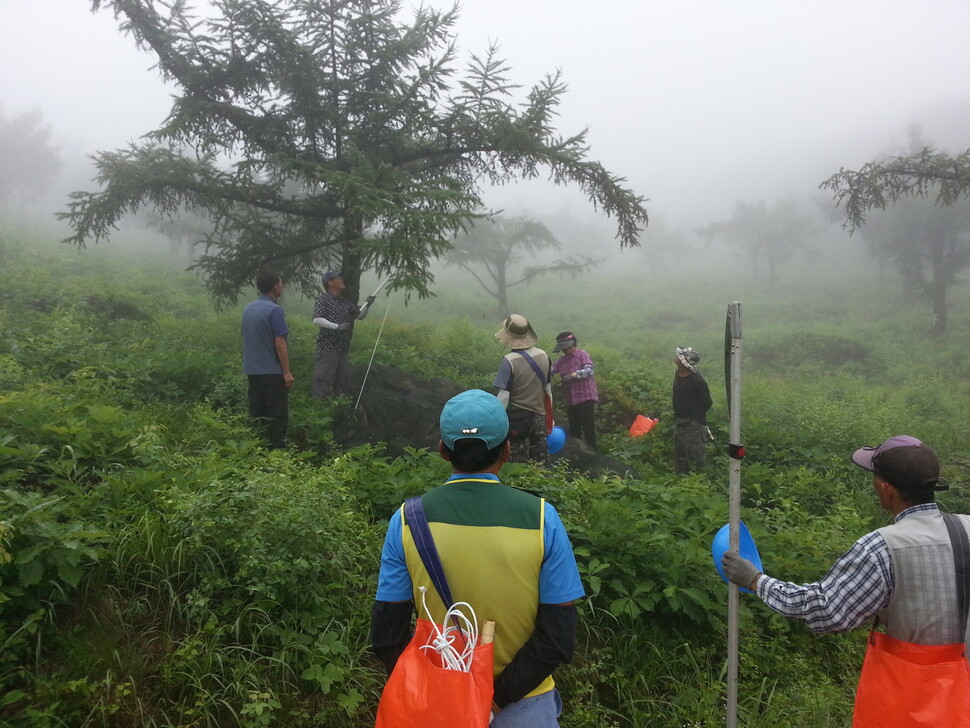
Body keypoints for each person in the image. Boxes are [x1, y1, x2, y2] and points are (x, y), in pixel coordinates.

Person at [371, 389, 585, 727]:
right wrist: (495, 700)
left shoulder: (407, 520)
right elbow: (558, 635)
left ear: (443, 450)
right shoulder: (542, 518)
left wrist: (437, 689)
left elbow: (386, 634)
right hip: (523, 707)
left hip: (437, 705)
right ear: (507, 451)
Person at [722, 436, 969, 718]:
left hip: (922, 703)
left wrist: (757, 580)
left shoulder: (882, 547)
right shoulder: (968, 527)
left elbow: (828, 610)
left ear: (886, 488)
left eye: (875, 478)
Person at [240, 271, 293, 449]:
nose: (282, 287)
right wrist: (286, 372)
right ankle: (278, 453)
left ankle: (255, 449)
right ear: (275, 287)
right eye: (280, 284)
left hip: (252, 370)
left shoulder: (248, 308)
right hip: (272, 371)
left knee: (257, 412)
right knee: (277, 416)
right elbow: (280, 343)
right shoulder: (274, 310)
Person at [493, 315, 554, 464]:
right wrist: (549, 418)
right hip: (539, 417)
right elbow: (547, 391)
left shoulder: (509, 361)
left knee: (517, 464)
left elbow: (503, 397)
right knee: (540, 463)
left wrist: (495, 421)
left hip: (518, 418)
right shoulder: (544, 355)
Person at [311, 270, 374, 399]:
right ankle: (321, 409)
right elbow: (317, 319)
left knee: (342, 384)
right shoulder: (323, 300)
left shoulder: (345, 303)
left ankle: (340, 410)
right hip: (327, 349)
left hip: (342, 349)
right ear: (330, 283)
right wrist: (337, 327)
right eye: (338, 278)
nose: (341, 280)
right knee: (323, 382)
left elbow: (360, 315)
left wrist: (367, 305)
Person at [550, 331, 599, 450]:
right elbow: (551, 370)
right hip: (572, 400)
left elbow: (589, 371)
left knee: (588, 426)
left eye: (568, 348)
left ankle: (592, 450)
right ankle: (578, 450)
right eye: (564, 349)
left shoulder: (582, 355)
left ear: (573, 345)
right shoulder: (562, 361)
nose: (566, 351)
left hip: (586, 397)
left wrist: (573, 375)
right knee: (574, 427)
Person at [672, 346, 712, 473]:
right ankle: (682, 477)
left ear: (684, 362)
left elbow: (707, 402)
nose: (676, 358)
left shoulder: (696, 380)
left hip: (694, 423)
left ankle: (700, 479)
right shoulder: (678, 374)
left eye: (679, 357)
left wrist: (694, 415)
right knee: (680, 452)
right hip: (679, 420)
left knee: (696, 453)